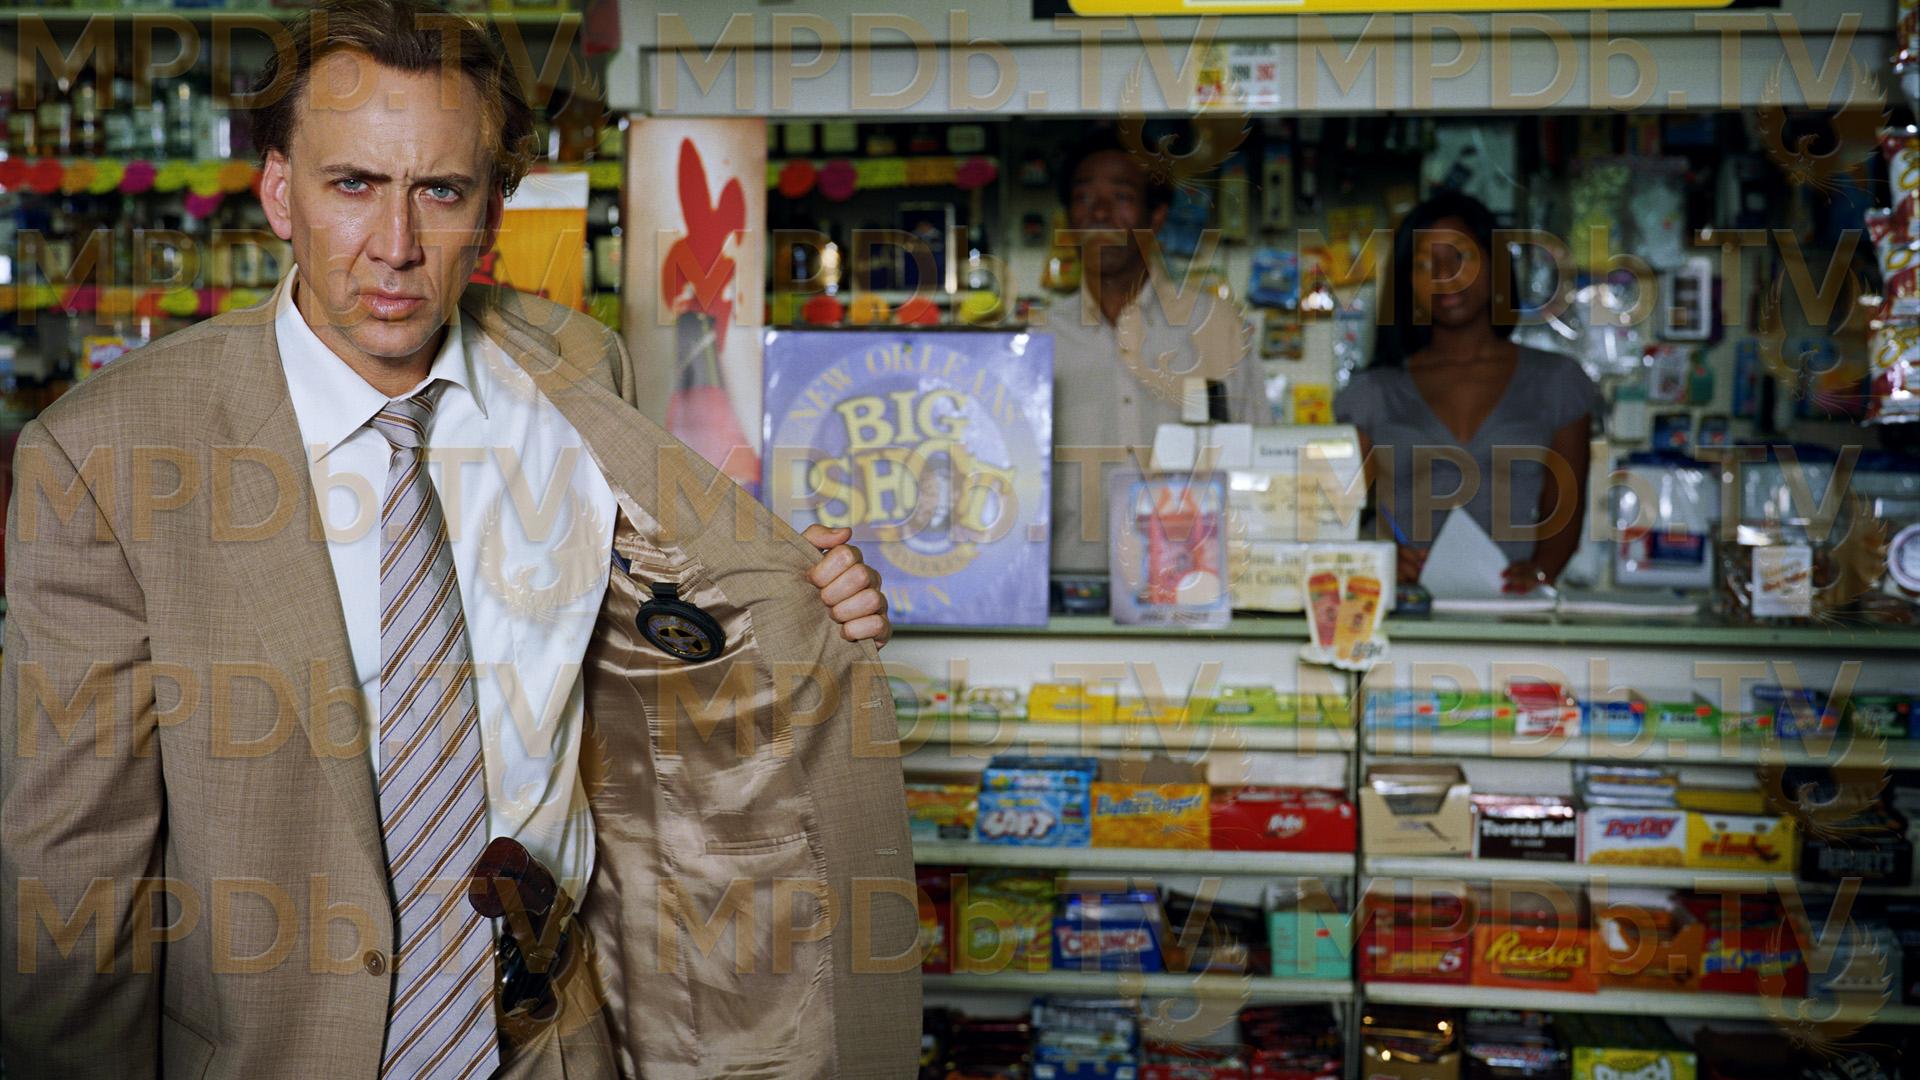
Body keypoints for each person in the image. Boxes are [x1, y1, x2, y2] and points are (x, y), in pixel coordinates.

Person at [0, 2, 919, 1076]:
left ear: (491, 211)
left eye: (440, 190)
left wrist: (807, 604)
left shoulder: (576, 370)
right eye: (354, 185)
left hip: (550, 1037)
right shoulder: (108, 456)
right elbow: (75, 869)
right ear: (280, 192)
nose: (396, 247)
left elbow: (658, 656)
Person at [1336, 190, 1601, 592]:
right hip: (1401, 609)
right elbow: (1335, 517)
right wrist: (1378, 555)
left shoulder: (1558, 381)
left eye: (1460, 256)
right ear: (1408, 283)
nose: (1445, 274)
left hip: (1513, 610)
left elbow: (1565, 510)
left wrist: (1540, 572)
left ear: (1495, 265)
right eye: (1426, 263)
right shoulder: (1372, 393)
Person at [1043, 128, 1268, 578]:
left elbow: (1260, 462)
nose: (1100, 212)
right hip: (1068, 587)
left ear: (1157, 216)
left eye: (1121, 196)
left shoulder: (1216, 328)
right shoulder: (1039, 340)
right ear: (1069, 219)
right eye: (1084, 197)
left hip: (1195, 586)